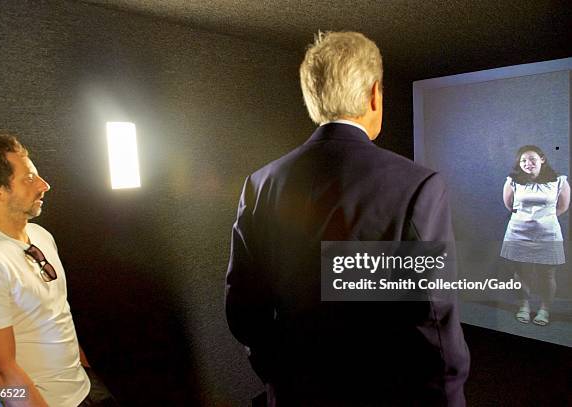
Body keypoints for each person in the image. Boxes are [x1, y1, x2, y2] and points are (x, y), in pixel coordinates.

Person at [225, 31, 470, 406]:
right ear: (374, 94)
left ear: (313, 100)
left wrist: (282, 377)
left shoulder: (260, 184)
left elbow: (244, 312)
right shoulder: (419, 186)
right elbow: (432, 320)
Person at [0, 134, 116, 406]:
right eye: (29, 179)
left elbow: (57, 313)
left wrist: (86, 372)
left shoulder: (40, 235)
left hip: (86, 388)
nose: (45, 185)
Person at [500, 145, 570, 326]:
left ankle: (544, 309)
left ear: (542, 159)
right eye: (523, 160)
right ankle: (524, 306)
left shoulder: (559, 181)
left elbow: (562, 207)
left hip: (548, 233)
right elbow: (509, 204)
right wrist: (525, 219)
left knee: (547, 274)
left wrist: (544, 219)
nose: (527, 163)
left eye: (532, 159)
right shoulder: (513, 181)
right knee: (520, 273)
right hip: (518, 232)